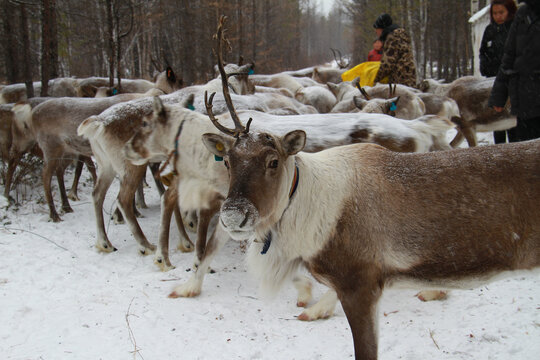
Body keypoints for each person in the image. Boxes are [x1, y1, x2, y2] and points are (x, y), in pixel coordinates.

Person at [488, 0, 540, 142]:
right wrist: (499, 95)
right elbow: (510, 55)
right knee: (527, 154)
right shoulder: (523, 14)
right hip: (526, 99)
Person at [480, 0, 517, 144]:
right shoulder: (490, 30)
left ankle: (515, 149)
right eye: (495, 13)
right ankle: (499, 152)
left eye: (501, 12)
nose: (498, 16)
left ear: (509, 11)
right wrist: (485, 68)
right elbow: (483, 52)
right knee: (497, 120)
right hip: (493, 82)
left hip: (513, 82)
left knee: (513, 122)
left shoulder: (515, 29)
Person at [372, 13, 417, 87]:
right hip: (409, 78)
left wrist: (375, 79)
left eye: (376, 29)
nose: (376, 32)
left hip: (400, 80)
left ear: (382, 28)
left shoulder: (392, 38)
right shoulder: (401, 36)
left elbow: (388, 64)